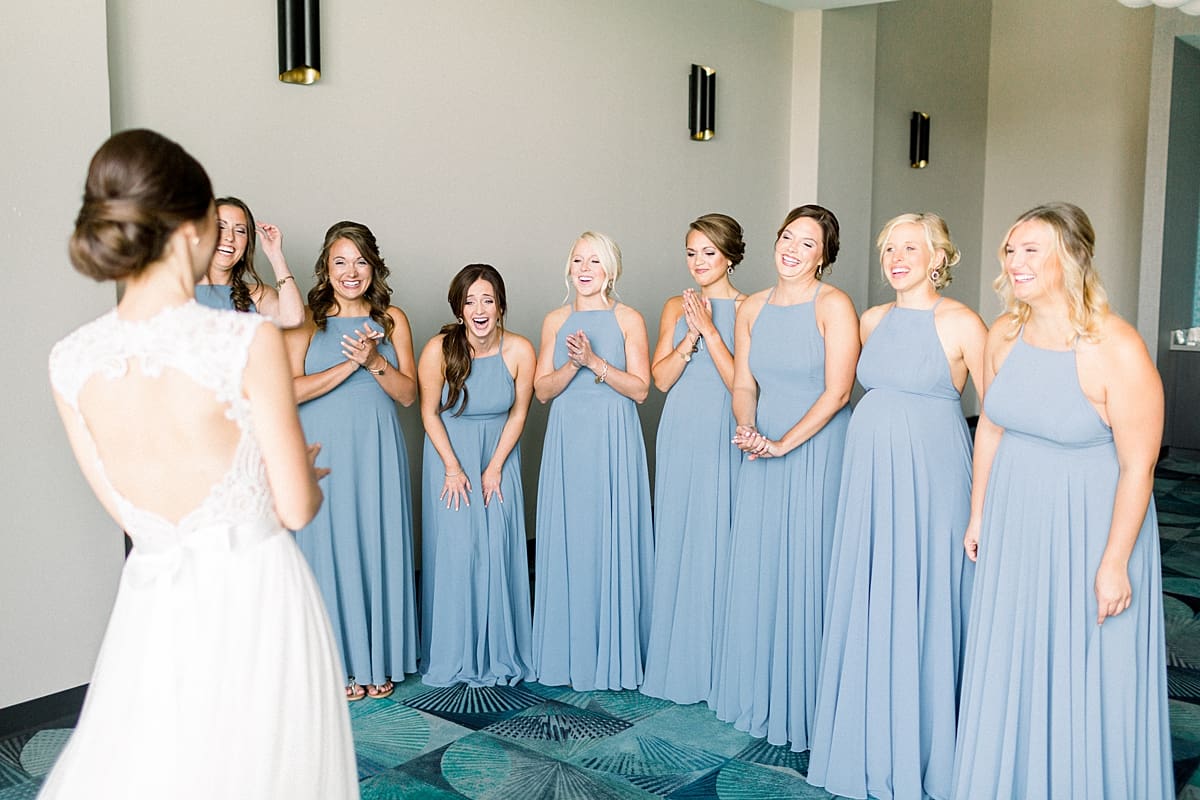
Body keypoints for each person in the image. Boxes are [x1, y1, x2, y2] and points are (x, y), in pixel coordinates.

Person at [42, 129, 357, 798]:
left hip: (153, 600)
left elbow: (128, 510)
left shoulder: (70, 361)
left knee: (163, 764)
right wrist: (279, 474)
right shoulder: (244, 340)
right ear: (192, 228)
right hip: (256, 589)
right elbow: (298, 507)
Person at [951, 203, 1172, 799]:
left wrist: (1114, 562)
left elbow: (1138, 465)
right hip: (1016, 514)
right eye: (1010, 249)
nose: (1015, 262)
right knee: (1013, 655)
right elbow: (992, 426)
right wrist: (978, 513)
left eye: (1032, 251)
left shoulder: (1114, 346)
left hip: (1089, 524)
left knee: (1083, 666)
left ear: (1071, 258)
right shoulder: (1003, 333)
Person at [806, 213, 986, 800]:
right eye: (889, 248)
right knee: (870, 590)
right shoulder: (872, 318)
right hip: (867, 475)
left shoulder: (961, 321)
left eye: (911, 247)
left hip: (932, 475)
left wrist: (985, 504)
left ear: (939, 257)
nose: (897, 257)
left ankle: (930, 745)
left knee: (924, 591)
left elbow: (1000, 418)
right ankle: (865, 732)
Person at [710, 204, 858, 751]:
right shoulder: (752, 307)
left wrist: (782, 444)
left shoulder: (834, 304)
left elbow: (838, 392)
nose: (792, 249)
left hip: (816, 449)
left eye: (808, 243)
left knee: (810, 564)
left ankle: (816, 700)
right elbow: (744, 383)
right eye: (787, 237)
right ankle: (765, 688)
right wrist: (749, 429)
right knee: (764, 563)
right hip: (764, 444)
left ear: (824, 257)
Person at [286, 221, 419, 701]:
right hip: (323, 449)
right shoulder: (305, 319)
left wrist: (376, 362)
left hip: (376, 449)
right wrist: (351, 364)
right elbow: (289, 390)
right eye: (340, 261)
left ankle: (375, 659)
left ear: (373, 266)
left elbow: (409, 395)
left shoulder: (393, 320)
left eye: (360, 261)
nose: (351, 271)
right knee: (328, 547)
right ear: (325, 267)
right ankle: (336, 662)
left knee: (372, 544)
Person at [531, 231, 654, 691]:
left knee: (609, 535)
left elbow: (641, 388)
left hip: (612, 436)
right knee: (572, 537)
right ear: (569, 267)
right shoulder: (555, 320)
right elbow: (542, 390)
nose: (585, 268)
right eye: (578, 260)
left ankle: (614, 652)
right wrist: (573, 365)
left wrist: (596, 363)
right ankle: (568, 651)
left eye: (595, 261)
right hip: (568, 437)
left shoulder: (629, 318)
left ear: (611, 270)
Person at [641, 213, 746, 704]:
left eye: (708, 252)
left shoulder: (750, 307)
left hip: (726, 425)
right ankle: (678, 657)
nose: (698, 262)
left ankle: (720, 661)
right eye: (691, 252)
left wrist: (711, 329)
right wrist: (689, 335)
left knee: (722, 533)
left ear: (729, 255)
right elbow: (660, 381)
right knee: (682, 532)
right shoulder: (672, 306)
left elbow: (743, 384)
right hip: (681, 427)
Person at [417, 264, 536, 687]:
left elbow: (520, 411)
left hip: (500, 456)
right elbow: (428, 413)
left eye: (488, 299)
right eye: (470, 301)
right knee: (459, 551)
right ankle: (454, 652)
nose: (479, 308)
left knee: (497, 549)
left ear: (500, 306)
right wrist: (452, 466)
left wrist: (495, 466)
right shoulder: (438, 349)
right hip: (449, 457)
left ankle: (499, 652)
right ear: (459, 308)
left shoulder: (520, 349)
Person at [195, 196, 304, 326]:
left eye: (240, 230)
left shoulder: (258, 295)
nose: (230, 237)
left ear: (247, 244)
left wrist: (275, 255)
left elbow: (293, 319)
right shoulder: (178, 289)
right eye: (220, 227)